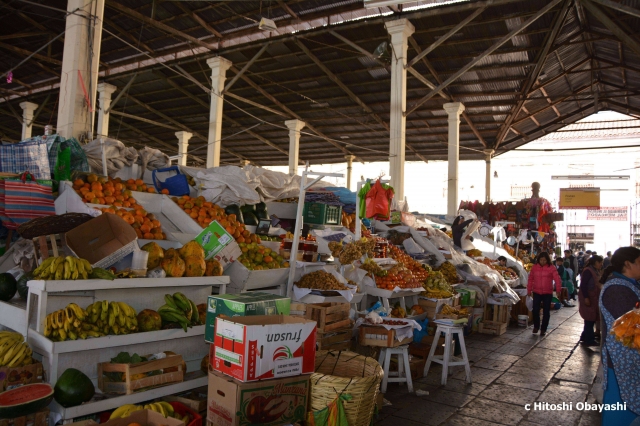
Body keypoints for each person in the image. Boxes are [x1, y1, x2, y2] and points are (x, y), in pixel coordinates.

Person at [599, 247, 640, 425]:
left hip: (629, 362)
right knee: (620, 411)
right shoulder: (617, 289)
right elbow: (631, 328)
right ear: (628, 264)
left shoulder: (628, 285)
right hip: (621, 362)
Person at [527, 251, 562, 337]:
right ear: (538, 260)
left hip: (547, 293)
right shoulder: (534, 268)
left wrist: (558, 290)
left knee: (546, 311)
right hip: (536, 292)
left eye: (544, 260)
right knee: (535, 310)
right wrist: (529, 290)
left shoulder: (552, 267)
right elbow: (530, 279)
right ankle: (536, 326)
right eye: (541, 260)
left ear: (547, 260)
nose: (543, 262)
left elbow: (557, 279)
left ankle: (543, 329)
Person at [578, 255, 603, 347]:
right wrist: (586, 297)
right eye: (600, 262)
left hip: (593, 298)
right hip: (589, 298)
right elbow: (583, 285)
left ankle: (584, 337)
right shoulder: (588, 271)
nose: (601, 264)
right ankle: (589, 340)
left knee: (590, 318)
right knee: (589, 319)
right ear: (596, 262)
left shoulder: (595, 270)